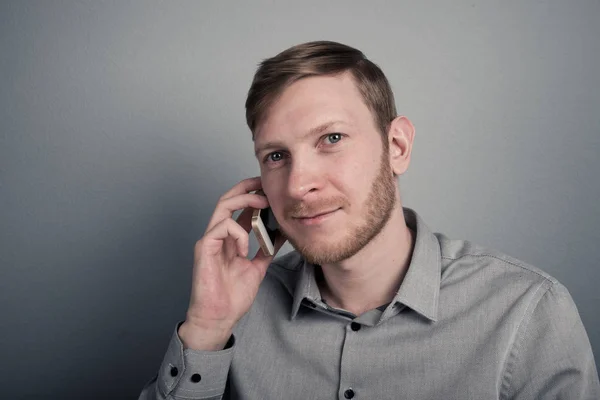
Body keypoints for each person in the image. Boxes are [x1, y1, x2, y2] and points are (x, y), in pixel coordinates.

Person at [139, 41, 599, 400]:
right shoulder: (237, 313)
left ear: (397, 146)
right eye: (277, 156)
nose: (299, 185)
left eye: (331, 138)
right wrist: (206, 328)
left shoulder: (527, 312)